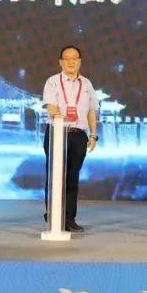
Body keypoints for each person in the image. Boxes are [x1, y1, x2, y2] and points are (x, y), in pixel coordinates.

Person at [41, 45, 99, 232]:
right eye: (67, 58)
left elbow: (91, 111)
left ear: (79, 61)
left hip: (79, 135)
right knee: (55, 176)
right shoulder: (52, 81)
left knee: (72, 177)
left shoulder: (87, 84)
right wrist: (58, 116)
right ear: (61, 62)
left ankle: (69, 218)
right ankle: (53, 215)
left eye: (74, 58)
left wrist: (93, 134)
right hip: (57, 132)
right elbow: (50, 106)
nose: (71, 62)